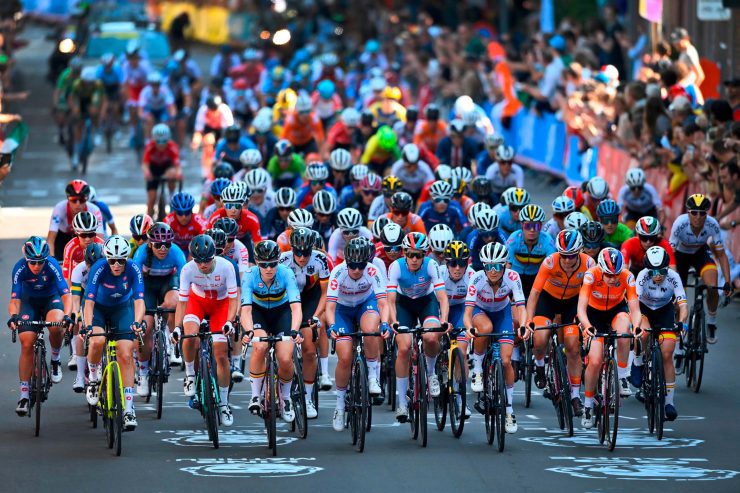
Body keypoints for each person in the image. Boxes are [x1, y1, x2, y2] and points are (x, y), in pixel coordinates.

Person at [527, 230, 594, 417]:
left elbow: (591, 296)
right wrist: (527, 321)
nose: (566, 260)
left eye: (571, 256)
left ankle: (574, 395)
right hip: (548, 300)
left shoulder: (589, 264)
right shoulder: (550, 262)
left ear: (579, 251)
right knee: (539, 340)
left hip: (572, 304)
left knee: (573, 347)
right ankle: (539, 365)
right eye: (563, 255)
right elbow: (534, 294)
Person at [326, 238, 390, 431]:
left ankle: (372, 376)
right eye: (352, 265)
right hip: (342, 310)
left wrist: (385, 323)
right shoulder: (337, 272)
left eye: (360, 265)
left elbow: (383, 303)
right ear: (346, 262)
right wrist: (331, 326)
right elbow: (329, 307)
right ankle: (339, 406)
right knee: (344, 357)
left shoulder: (372, 271)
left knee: (371, 331)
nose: (356, 270)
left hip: (365, 304)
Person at [82, 235, 145, 430]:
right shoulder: (99, 268)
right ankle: (93, 378)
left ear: (127, 259)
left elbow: (139, 300)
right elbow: (89, 302)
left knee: (125, 353)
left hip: (121, 309)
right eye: (112, 260)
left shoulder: (134, 268)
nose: (116, 264)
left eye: (121, 260)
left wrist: (137, 322)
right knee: (97, 341)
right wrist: (88, 325)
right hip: (99, 309)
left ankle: (128, 409)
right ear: (106, 258)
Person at [175, 235, 239, 426]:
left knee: (221, 355)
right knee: (190, 337)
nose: (202, 265)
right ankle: (190, 375)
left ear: (214, 256)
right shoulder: (187, 270)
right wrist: (177, 327)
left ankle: (225, 404)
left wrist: (229, 321)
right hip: (198, 302)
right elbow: (182, 302)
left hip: (221, 304)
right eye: (198, 260)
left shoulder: (226, 266)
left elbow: (234, 300)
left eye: (206, 260)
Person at [464, 242, 526, 434]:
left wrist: (523, 325)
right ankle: (477, 369)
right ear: (483, 266)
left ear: (504, 265)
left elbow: (521, 307)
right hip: (480, 312)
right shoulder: (476, 278)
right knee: (485, 327)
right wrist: (468, 328)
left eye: (497, 266)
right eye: (489, 266)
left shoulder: (513, 277)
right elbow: (467, 312)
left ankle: (509, 411)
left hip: (502, 314)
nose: (493, 271)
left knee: (506, 361)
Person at [387, 232, 448, 422]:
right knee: (404, 348)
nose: (414, 259)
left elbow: (442, 297)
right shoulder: (395, 266)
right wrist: (393, 321)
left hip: (426, 302)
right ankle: (402, 403)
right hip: (403, 304)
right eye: (411, 254)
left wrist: (444, 320)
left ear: (425, 254)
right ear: (404, 253)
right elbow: (390, 300)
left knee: (431, 336)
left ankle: (430, 374)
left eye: (419, 255)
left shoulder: (431, 265)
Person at [577, 248, 641, 429]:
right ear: (601, 269)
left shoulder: (627, 277)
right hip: (593, 315)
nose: (613, 279)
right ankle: (588, 405)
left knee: (624, 330)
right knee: (595, 361)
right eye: (608, 275)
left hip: (616, 310)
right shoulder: (591, 275)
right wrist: (587, 325)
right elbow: (581, 308)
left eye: (616, 275)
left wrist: (636, 326)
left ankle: (621, 377)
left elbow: (635, 309)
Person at [8, 237, 73, 415]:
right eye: (33, 262)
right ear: (26, 259)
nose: (37, 266)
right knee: (27, 342)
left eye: (40, 262)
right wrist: (14, 316)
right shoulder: (19, 268)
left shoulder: (52, 265)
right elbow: (15, 299)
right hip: (29, 302)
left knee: (56, 325)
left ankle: (55, 358)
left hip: (52, 299)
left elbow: (66, 295)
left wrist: (67, 316)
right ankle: (23, 395)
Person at [241, 240, 303, 423]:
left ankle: (285, 398)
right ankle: (255, 396)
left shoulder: (286, 273)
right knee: (260, 347)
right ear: (257, 263)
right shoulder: (249, 275)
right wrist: (248, 331)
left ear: (278, 261)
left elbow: (296, 308)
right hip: (259, 313)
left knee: (285, 358)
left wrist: (294, 331)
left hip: (281, 312)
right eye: (264, 264)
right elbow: (245, 310)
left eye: (273, 264)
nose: (268, 269)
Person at [278, 227, 331, 419]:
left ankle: (308, 398)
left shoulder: (320, 259)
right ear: (292, 249)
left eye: (306, 253)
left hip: (309, 298)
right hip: (285, 299)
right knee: (281, 344)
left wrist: (317, 315)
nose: (302, 257)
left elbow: (325, 293)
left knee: (309, 348)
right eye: (298, 253)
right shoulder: (282, 259)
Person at [633, 246, 688, 421]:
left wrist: (681, 323)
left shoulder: (673, 277)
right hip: (644, 310)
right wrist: (636, 325)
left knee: (667, 352)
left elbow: (683, 305)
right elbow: (633, 304)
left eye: (662, 270)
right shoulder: (642, 276)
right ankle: (638, 361)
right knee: (643, 334)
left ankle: (669, 403)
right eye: (653, 271)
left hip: (664, 311)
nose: (657, 275)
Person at [669, 194, 733, 343]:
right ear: (688, 212)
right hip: (680, 256)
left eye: (702, 213)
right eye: (694, 212)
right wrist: (672, 280)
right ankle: (678, 347)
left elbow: (721, 255)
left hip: (700, 253)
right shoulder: (680, 224)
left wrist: (728, 282)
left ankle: (711, 322)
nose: (698, 217)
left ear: (707, 214)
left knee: (712, 285)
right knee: (680, 299)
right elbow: (670, 253)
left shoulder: (712, 224)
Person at [132, 222, 186, 393]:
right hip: (146, 286)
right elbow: (135, 283)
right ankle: (142, 374)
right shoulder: (140, 254)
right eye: (158, 245)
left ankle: (170, 338)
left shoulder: (177, 253)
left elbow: (184, 282)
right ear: (150, 244)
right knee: (145, 328)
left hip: (168, 283)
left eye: (167, 244)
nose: (163, 248)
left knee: (173, 303)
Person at [69, 243, 104, 391]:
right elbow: (76, 298)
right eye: (90, 264)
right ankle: (79, 376)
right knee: (82, 327)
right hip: (85, 297)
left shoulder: (107, 268)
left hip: (102, 297)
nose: (92, 267)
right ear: (85, 262)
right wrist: (77, 314)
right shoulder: (79, 270)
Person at [506, 204, 556, 296]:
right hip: (515, 276)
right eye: (528, 226)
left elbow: (553, 267)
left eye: (536, 226)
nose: (532, 230)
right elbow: (506, 265)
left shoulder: (547, 241)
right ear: (521, 225)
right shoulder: (514, 239)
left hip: (536, 276)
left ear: (541, 226)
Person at [47, 179, 104, 260]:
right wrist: (52, 260)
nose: (77, 204)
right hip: (63, 237)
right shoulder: (59, 208)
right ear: (68, 199)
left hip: (86, 237)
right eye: (73, 200)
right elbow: (51, 239)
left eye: (81, 200)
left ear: (87, 199)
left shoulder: (94, 209)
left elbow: (100, 239)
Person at [142, 124, 182, 217]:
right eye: (158, 142)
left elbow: (177, 165)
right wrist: (147, 173)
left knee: (172, 174)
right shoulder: (149, 146)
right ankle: (149, 216)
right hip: (154, 168)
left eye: (164, 142)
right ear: (154, 140)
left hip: (167, 167)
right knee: (152, 197)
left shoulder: (172, 146)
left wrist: (178, 173)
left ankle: (171, 197)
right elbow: (145, 164)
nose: (161, 145)